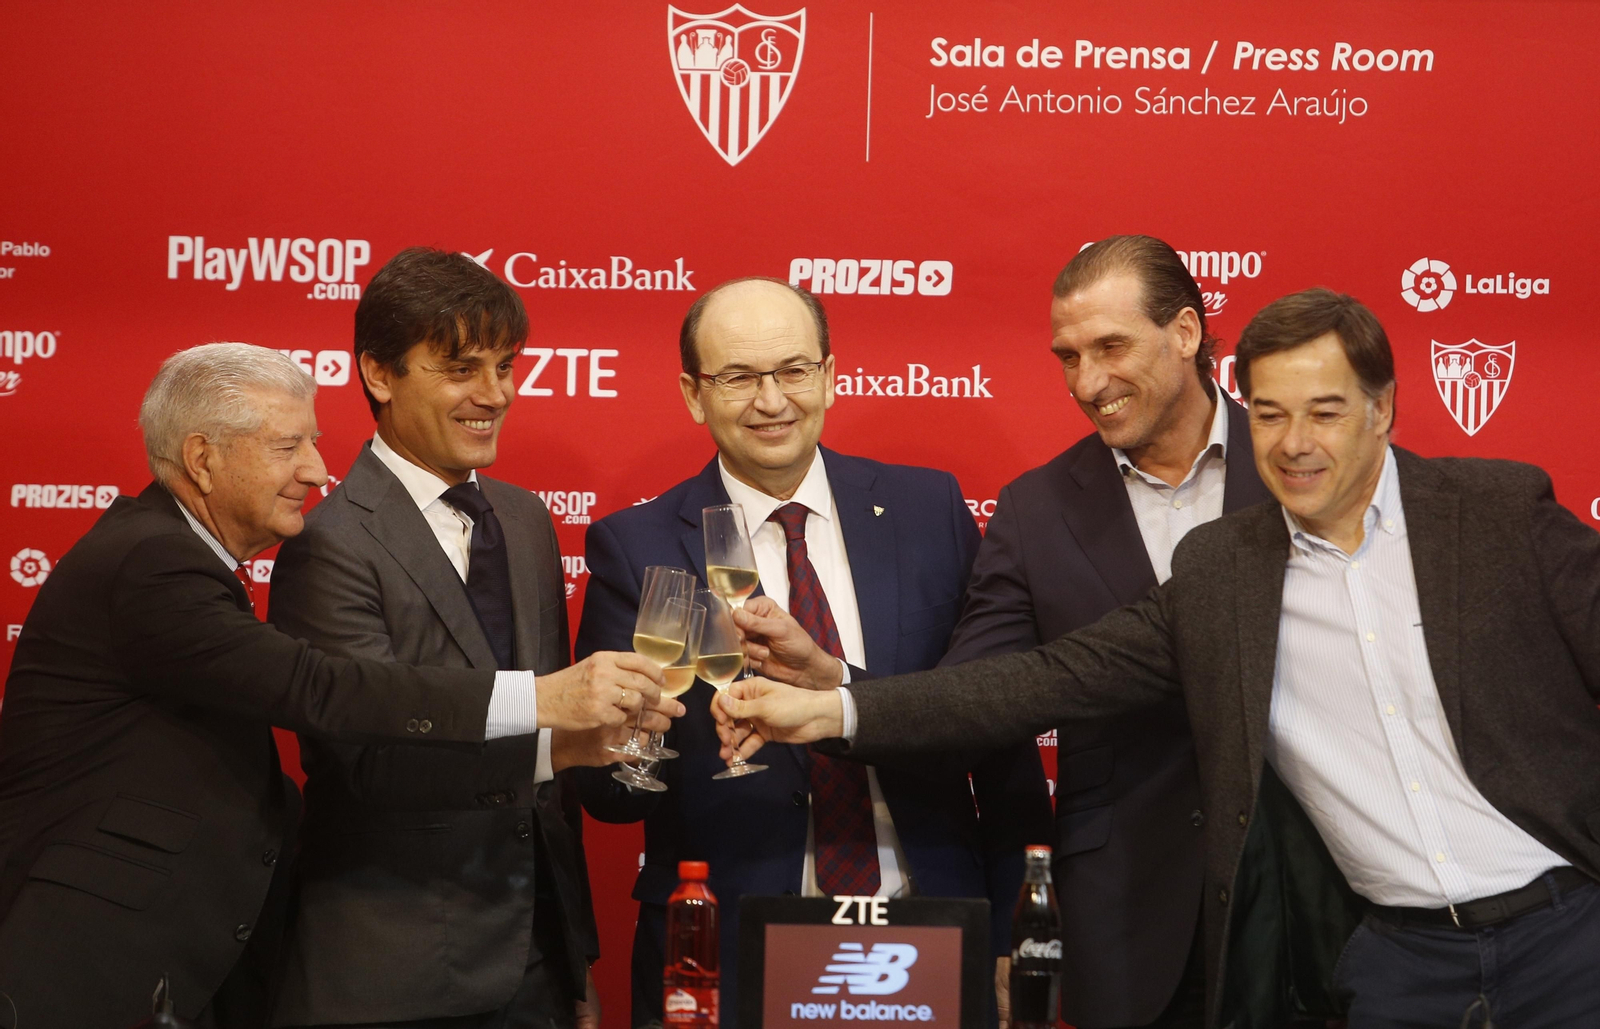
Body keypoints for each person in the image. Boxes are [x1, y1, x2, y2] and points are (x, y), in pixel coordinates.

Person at [718, 288, 1600, 1029]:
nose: (1295, 442)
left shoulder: (1496, 512)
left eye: (1326, 411)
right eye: (1273, 413)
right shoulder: (1224, 569)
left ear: (1383, 409)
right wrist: (835, 707)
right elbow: (1040, 680)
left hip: (1572, 931)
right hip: (1396, 965)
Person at [0, 343, 666, 1029]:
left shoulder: (169, 554)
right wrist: (541, 698)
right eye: (288, 447)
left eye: (312, 443)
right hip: (92, 964)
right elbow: (322, 687)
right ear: (202, 458)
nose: (317, 472)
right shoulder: (154, 561)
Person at [575, 277, 1051, 1026]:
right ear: (694, 394)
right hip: (728, 952)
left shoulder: (930, 512)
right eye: (738, 376)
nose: (772, 400)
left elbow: (998, 733)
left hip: (928, 930)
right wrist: (651, 721)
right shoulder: (637, 548)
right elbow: (610, 795)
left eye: (794, 370)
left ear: (829, 375)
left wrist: (1014, 928)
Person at [265, 249, 673, 1029]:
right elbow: (371, 761)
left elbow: (549, 801)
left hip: (538, 965)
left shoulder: (524, 520)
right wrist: (567, 745)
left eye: (505, 366)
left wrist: (572, 954)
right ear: (380, 374)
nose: (495, 395)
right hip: (399, 975)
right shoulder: (330, 545)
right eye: (461, 369)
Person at [943, 235, 1269, 1028]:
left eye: (1111, 347)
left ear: (1186, 333)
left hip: (1299, 903)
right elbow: (977, 704)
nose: (1088, 382)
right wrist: (838, 685)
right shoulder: (1034, 509)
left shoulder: (1294, 462)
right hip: (1123, 923)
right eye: (1068, 356)